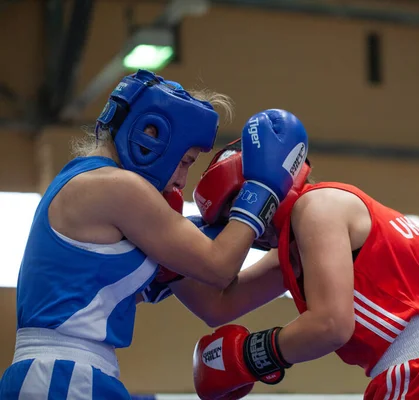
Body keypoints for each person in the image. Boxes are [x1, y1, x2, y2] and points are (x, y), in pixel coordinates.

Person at [0, 69, 308, 399]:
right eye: (186, 161)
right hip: (63, 374)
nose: (181, 182)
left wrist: (296, 253)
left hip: (71, 373)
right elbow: (219, 268)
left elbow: (217, 305)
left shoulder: (113, 206)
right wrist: (262, 191)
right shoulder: (116, 187)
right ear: (152, 134)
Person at [161, 139, 419, 400]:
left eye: (237, 213)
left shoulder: (317, 208)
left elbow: (331, 325)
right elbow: (218, 306)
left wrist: (248, 356)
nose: (246, 231)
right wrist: (163, 242)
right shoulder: (301, 239)